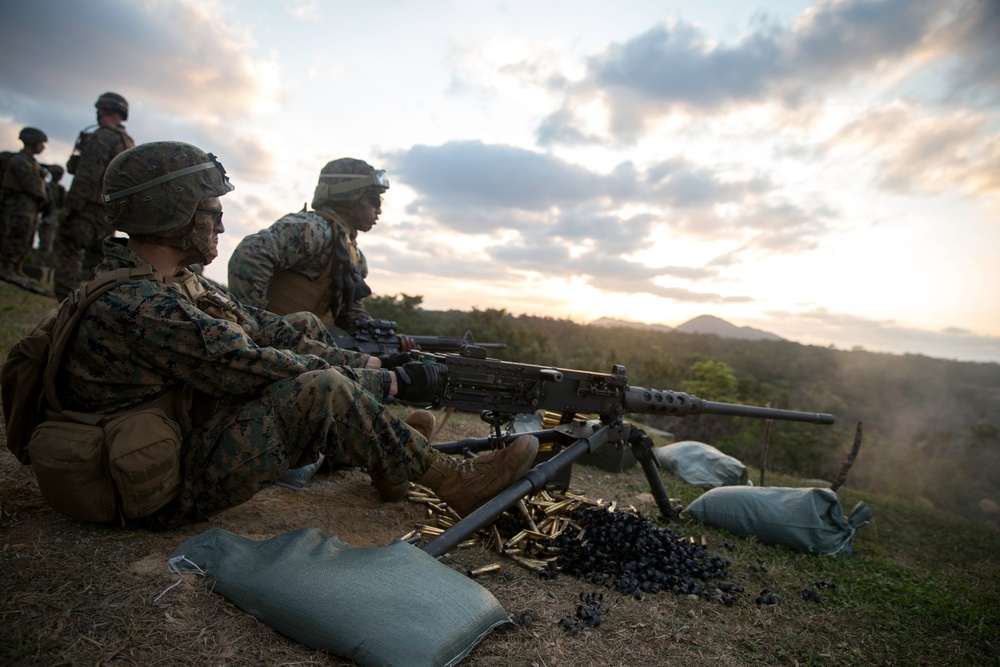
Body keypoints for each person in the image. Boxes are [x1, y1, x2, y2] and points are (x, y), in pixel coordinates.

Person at [55, 140, 537, 528]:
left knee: (302, 340)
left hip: (179, 439)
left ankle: (393, 460)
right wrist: (392, 385)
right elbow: (248, 364)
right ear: (170, 213)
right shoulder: (141, 305)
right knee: (318, 390)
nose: (222, 225)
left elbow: (265, 328)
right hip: (154, 485)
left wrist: (374, 364)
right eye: (211, 211)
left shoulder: (177, 282)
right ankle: (453, 481)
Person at [227, 158, 388, 336]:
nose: (379, 210)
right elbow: (250, 254)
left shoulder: (352, 253)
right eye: (374, 199)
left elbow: (345, 308)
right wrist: (254, 324)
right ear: (351, 198)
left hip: (299, 354)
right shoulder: (314, 229)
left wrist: (376, 335)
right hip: (270, 349)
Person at [52, 92, 134, 300]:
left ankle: (65, 299)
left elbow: (86, 174)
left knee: (68, 245)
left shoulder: (102, 136)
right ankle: (95, 302)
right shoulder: (127, 142)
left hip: (86, 207)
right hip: (108, 212)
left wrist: (70, 207)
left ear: (104, 109)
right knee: (98, 260)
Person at [0, 127, 49, 280]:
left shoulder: (33, 163)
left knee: (27, 237)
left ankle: (16, 267)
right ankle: (6, 267)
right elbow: (30, 184)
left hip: (30, 206)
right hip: (18, 204)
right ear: (32, 142)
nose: (43, 147)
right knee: (16, 234)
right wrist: (42, 196)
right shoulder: (19, 160)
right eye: (41, 143)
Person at [35, 163, 66, 263]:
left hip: (56, 221)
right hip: (46, 219)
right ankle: (39, 264)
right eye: (57, 174)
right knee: (44, 244)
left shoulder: (61, 190)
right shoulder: (46, 186)